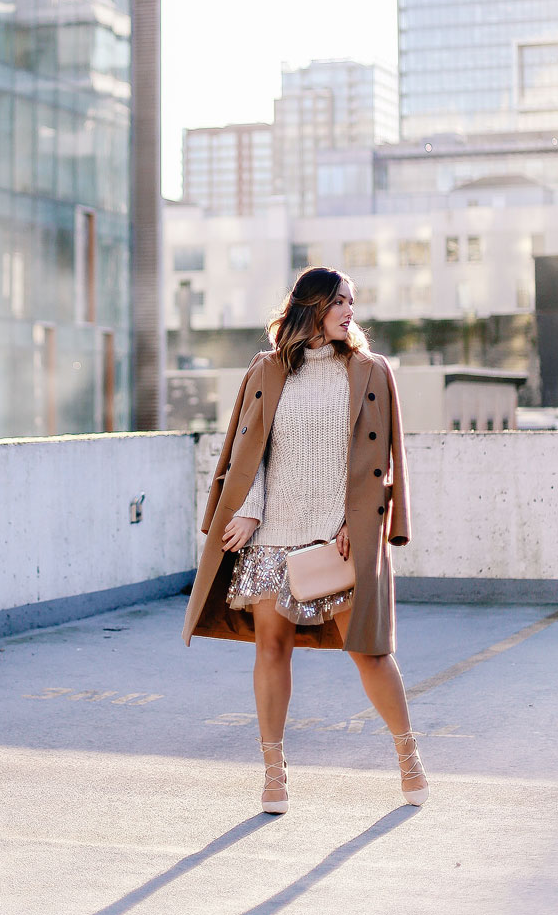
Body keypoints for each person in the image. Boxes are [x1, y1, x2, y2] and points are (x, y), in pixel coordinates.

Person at [182, 266, 428, 813]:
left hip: (339, 538)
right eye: (338, 302)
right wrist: (245, 512)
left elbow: (382, 462)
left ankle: (408, 753)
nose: (348, 312)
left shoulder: (369, 371)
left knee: (368, 651)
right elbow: (249, 452)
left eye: (351, 303)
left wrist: (356, 523)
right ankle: (274, 773)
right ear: (310, 306)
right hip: (273, 534)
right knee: (271, 648)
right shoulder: (267, 371)